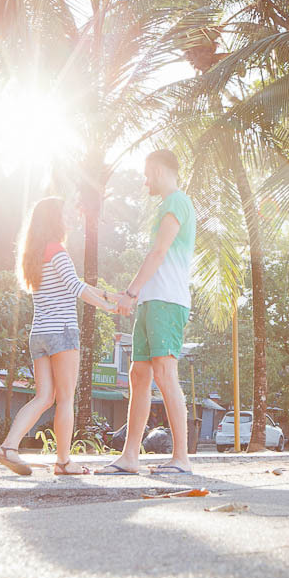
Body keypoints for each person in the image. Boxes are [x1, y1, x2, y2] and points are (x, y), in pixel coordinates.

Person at [0, 197, 119, 476]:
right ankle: (63, 462)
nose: (69, 218)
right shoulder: (58, 251)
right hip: (62, 332)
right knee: (64, 399)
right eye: (64, 213)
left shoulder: (35, 254)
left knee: (43, 396)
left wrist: (110, 296)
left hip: (39, 333)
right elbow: (76, 287)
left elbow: (77, 285)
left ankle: (8, 447)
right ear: (54, 219)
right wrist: (109, 306)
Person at [97, 149, 196, 476]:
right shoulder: (165, 205)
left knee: (166, 375)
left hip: (167, 302)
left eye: (147, 173)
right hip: (152, 302)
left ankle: (181, 458)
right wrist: (135, 296)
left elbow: (159, 252)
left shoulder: (177, 201)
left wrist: (130, 292)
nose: (145, 180)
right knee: (139, 376)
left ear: (158, 169)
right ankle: (129, 456)